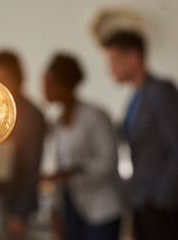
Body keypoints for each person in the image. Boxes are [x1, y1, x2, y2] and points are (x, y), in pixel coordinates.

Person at [102, 30, 178, 240]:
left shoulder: (161, 91)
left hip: (162, 206)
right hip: (142, 202)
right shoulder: (136, 96)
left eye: (114, 60)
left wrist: (160, 196)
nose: (110, 69)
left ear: (134, 57)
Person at [43, 53, 122, 240]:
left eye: (49, 83)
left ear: (65, 84)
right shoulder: (58, 122)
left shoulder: (95, 116)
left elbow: (109, 161)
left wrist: (71, 174)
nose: (44, 89)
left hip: (101, 209)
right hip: (72, 209)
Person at [0, 51, 46, 240]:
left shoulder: (31, 115)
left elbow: (31, 166)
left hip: (16, 206)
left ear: (17, 78)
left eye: (5, 78)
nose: (1, 85)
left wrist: (20, 213)